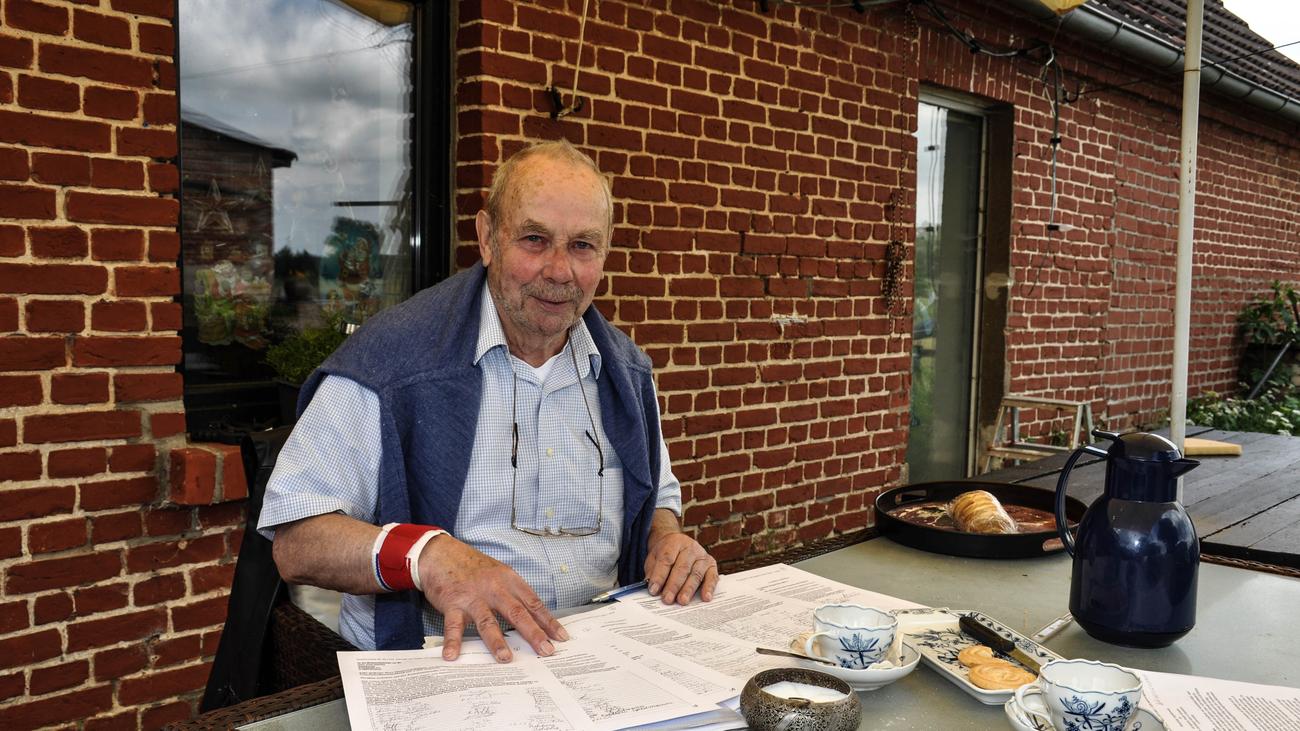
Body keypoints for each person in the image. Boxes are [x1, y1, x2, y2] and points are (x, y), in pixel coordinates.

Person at [259, 140, 718, 663]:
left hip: (595, 659)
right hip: (443, 664)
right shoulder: (390, 364)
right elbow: (296, 541)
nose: (560, 270)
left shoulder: (626, 373)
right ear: (486, 238)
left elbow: (658, 496)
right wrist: (426, 556)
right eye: (534, 239)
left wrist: (665, 540)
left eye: (582, 245)